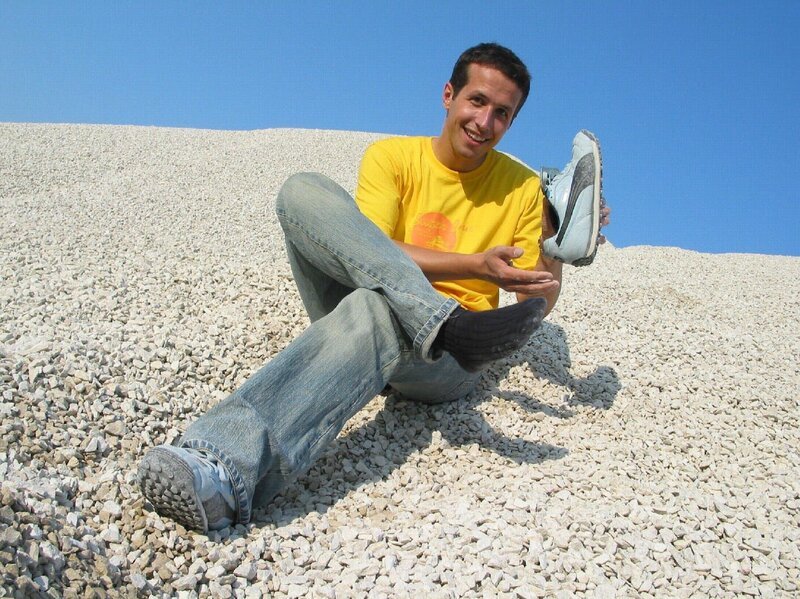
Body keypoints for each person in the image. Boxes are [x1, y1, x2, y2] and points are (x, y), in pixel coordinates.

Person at [138, 42, 611, 533]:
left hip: (447, 363)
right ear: (448, 95)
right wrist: (474, 266)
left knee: (374, 309)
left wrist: (556, 244)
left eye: (502, 113)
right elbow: (368, 249)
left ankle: (220, 469)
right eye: (477, 101)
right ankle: (443, 324)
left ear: (511, 122)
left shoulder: (522, 188)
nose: (484, 122)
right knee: (301, 189)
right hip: (445, 326)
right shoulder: (392, 158)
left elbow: (533, 304)